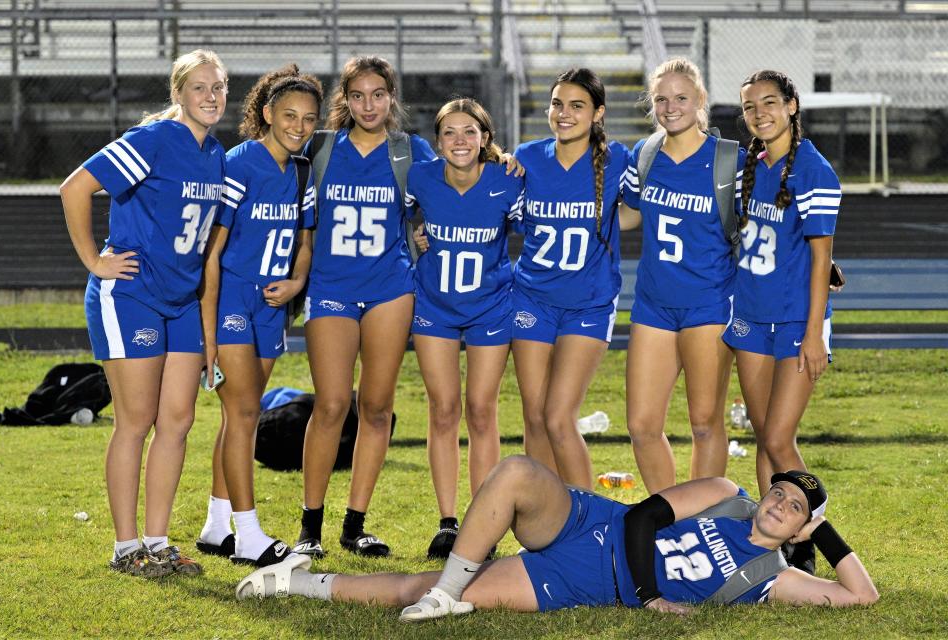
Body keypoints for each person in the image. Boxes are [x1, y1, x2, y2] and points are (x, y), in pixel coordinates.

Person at [236, 457, 877, 619]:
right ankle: (448, 594)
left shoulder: (770, 579)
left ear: (799, 528)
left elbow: (862, 598)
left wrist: (828, 533)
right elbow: (639, 518)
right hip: (593, 524)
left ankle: (294, 582)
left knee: (421, 585)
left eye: (794, 508)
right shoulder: (724, 493)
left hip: (586, 581)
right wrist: (652, 596)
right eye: (779, 492)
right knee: (516, 472)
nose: (777, 504)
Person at [60, 49, 228, 577]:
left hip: (180, 301)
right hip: (130, 293)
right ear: (178, 92)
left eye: (219, 87)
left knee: (178, 419)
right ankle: (124, 546)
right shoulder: (152, 141)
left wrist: (208, 333)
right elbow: (76, 187)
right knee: (135, 420)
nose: (211, 96)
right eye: (200, 87)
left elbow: (204, 251)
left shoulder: (216, 153)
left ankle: (157, 541)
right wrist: (94, 260)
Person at [293, 56, 435, 559]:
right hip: (331, 287)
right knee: (331, 404)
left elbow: (454, 183)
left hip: (390, 288)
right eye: (358, 96)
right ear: (345, 100)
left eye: (378, 95)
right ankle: (310, 526)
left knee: (376, 407)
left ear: (391, 98)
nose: (368, 105)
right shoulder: (322, 148)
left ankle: (355, 525)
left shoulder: (409, 151)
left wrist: (504, 159)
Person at [194, 65, 322, 567]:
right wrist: (208, 336)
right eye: (289, 115)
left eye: (309, 118)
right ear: (266, 113)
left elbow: (305, 244)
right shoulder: (238, 164)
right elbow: (211, 254)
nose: (298, 126)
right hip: (230, 301)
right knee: (244, 412)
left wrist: (295, 283)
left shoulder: (303, 170)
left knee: (238, 416)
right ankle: (248, 535)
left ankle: (214, 525)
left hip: (273, 307)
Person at [722, 70, 841, 573]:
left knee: (777, 437)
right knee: (765, 436)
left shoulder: (814, 170)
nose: (760, 114)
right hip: (750, 316)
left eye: (770, 103)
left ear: (792, 105)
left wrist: (814, 333)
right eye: (750, 107)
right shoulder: (751, 165)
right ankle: (770, 544)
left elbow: (820, 259)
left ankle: (812, 543)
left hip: (795, 322)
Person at [404, 98, 523, 558]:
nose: (460, 140)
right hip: (435, 305)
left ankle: (484, 520)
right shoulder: (421, 177)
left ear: (485, 139)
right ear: (437, 142)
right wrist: (418, 232)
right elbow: (402, 219)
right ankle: (448, 522)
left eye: (469, 132)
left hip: (490, 307)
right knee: (443, 409)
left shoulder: (506, 180)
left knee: (481, 410)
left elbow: (533, 232)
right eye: (449, 132)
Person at [621, 58, 744, 493]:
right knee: (641, 424)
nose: (670, 107)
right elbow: (630, 217)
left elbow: (763, 224)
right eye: (660, 99)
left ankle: (703, 519)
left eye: (680, 98)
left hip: (709, 302)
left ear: (700, 100)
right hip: (654, 303)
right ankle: (664, 516)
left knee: (705, 424)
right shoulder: (646, 153)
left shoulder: (730, 160)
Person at [510, 68, 634, 489]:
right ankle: (541, 520)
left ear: (597, 113)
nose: (564, 114)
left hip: (590, 302)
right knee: (533, 415)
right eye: (557, 104)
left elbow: (637, 211)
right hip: (531, 298)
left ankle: (587, 523)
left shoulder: (618, 159)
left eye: (576, 106)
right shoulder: (525, 157)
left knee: (559, 416)